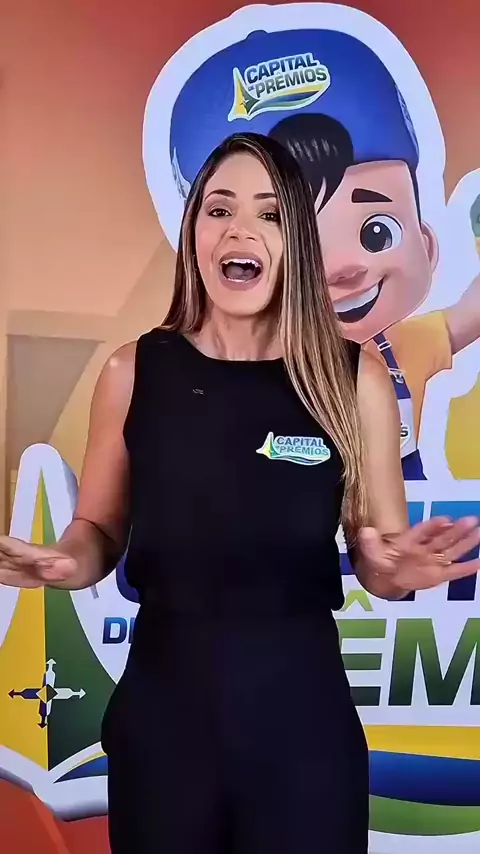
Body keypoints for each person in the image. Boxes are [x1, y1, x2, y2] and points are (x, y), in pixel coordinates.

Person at [1, 132, 479, 854]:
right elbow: (98, 529)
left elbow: (377, 554)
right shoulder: (134, 371)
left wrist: (397, 567)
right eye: (219, 209)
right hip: (165, 726)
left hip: (303, 731)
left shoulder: (353, 378)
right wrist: (66, 561)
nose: (240, 230)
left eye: (269, 213)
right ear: (194, 232)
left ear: (297, 241)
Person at [164, 27, 480, 482]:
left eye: (376, 232)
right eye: (303, 243)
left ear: (426, 243)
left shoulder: (398, 352)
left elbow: (464, 317)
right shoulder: (208, 379)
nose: (342, 269)